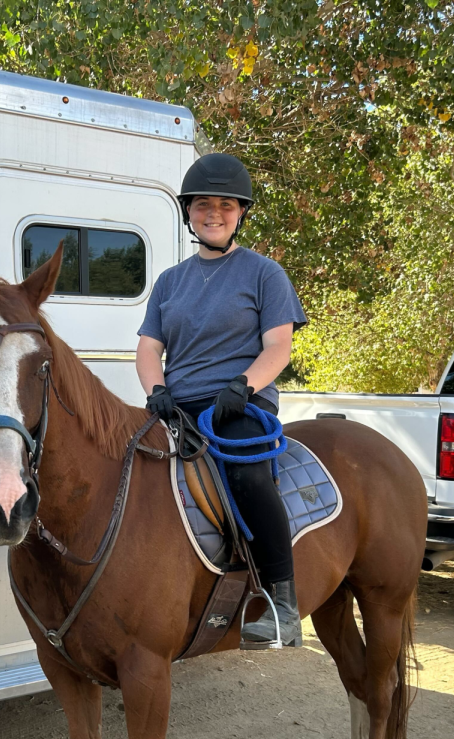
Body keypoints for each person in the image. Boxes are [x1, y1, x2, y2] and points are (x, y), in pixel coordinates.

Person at [135, 153, 307, 647]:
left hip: (239, 403)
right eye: (204, 205)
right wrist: (157, 392)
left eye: (226, 205)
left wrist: (243, 386)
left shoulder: (264, 273)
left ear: (241, 213)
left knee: (248, 474)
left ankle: (281, 603)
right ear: (189, 211)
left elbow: (279, 345)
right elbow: (149, 349)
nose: (215, 213)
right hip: (179, 407)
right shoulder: (170, 281)